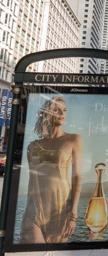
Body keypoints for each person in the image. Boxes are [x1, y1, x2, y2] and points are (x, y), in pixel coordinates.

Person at [20, 95, 83, 244]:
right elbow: (32, 180)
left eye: (64, 110)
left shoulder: (73, 139)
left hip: (59, 207)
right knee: (34, 252)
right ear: (47, 113)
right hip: (34, 207)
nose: (62, 114)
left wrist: (73, 214)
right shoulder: (33, 146)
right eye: (56, 110)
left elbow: (77, 177)